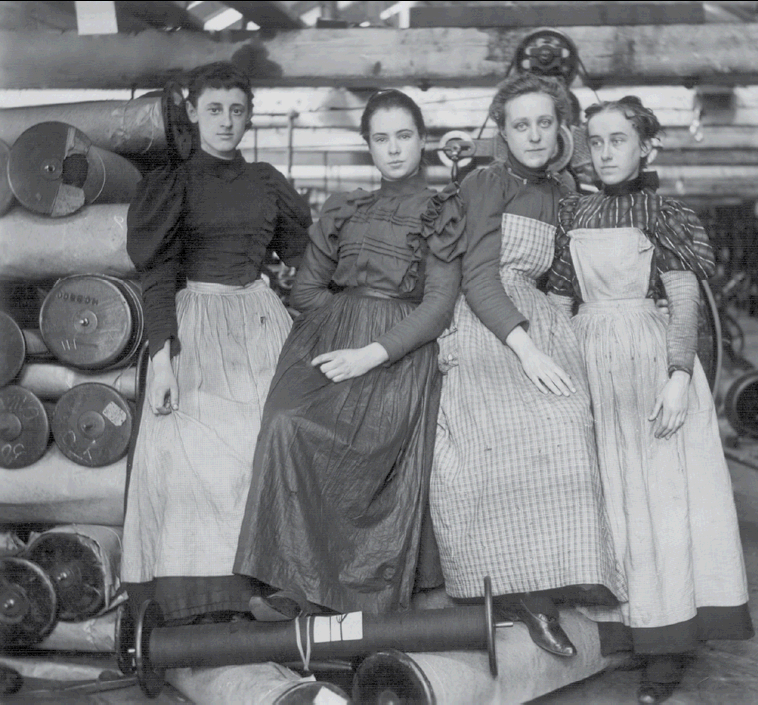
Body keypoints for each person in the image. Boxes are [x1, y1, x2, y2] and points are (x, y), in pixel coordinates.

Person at [547, 96, 754, 703]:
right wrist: (553, 366)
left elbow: (684, 301)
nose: (607, 153)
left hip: (649, 362)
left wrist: (678, 376)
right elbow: (560, 301)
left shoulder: (666, 213)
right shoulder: (572, 213)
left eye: (620, 141)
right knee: (612, 501)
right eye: (599, 142)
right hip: (590, 364)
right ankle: (626, 635)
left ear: (647, 149)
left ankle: (669, 646)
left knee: (660, 505)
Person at [233, 89, 464, 617]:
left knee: (344, 443)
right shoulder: (346, 208)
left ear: (423, 140)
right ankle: (296, 586)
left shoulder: (442, 208)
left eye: (404, 136)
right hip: (336, 341)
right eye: (381, 138)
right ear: (367, 145)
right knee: (284, 422)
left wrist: (372, 349)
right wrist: (345, 323)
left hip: (400, 353)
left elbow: (439, 306)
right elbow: (306, 292)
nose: (394, 149)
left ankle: (348, 594)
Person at [429, 72, 626, 658]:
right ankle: (527, 599)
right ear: (502, 130)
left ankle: (556, 580)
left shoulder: (559, 188)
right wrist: (527, 347)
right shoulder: (487, 181)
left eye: (544, 122)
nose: (534, 135)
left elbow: (564, 269)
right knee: (521, 429)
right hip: (489, 320)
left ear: (560, 127)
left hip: (537, 315)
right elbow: (480, 276)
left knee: (570, 423)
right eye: (521, 124)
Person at [121, 62, 312, 624]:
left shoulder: (266, 183)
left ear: (249, 116)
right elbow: (158, 277)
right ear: (193, 113)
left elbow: (304, 262)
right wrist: (162, 361)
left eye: (236, 110)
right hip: (194, 327)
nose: (226, 122)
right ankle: (205, 604)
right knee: (194, 455)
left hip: (259, 322)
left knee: (274, 442)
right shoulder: (173, 184)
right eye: (214, 110)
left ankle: (272, 590)